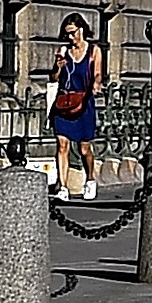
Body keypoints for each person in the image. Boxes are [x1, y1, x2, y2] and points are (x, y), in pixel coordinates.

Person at [44, 13, 102, 193]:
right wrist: (58, 67)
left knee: (84, 149)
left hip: (83, 104)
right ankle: (63, 186)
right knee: (62, 144)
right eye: (67, 34)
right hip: (63, 102)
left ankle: (90, 178)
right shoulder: (63, 51)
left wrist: (97, 82)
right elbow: (53, 77)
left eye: (73, 32)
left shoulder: (94, 51)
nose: (70, 37)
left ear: (82, 29)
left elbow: (98, 72)